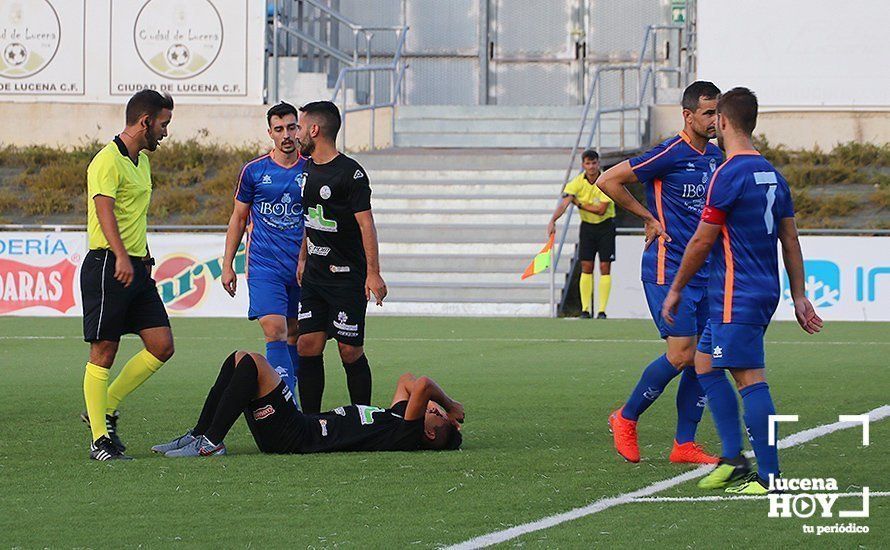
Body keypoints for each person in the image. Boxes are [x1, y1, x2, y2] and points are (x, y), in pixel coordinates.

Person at [662, 87, 822, 494]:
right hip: (751, 289)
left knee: (749, 378)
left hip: (738, 291)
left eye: (717, 117)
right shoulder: (773, 174)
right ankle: (733, 458)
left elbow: (701, 241)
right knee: (704, 363)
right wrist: (798, 294)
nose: (713, 122)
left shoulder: (728, 173)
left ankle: (769, 478)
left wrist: (676, 288)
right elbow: (790, 239)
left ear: (725, 122)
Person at [596, 81, 723, 464]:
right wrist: (647, 217)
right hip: (668, 269)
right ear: (688, 115)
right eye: (707, 113)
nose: (715, 120)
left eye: (718, 112)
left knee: (705, 358)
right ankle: (626, 416)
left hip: (707, 273)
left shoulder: (717, 158)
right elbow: (607, 180)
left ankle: (684, 444)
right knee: (682, 353)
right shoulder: (669, 153)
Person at [79, 90, 176, 460]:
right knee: (104, 350)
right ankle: (99, 440)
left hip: (136, 266)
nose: (165, 133)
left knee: (162, 345)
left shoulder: (142, 162)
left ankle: (105, 406)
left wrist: (143, 255)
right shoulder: (106, 161)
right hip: (108, 264)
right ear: (145, 122)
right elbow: (104, 211)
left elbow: (134, 216)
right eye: (163, 125)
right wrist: (121, 255)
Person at [151, 351, 463, 456]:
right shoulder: (398, 418)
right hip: (294, 429)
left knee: (252, 363)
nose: (429, 407)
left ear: (431, 434)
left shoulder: (405, 436)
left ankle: (212, 443)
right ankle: (200, 434)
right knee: (238, 359)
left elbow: (422, 386)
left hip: (296, 435)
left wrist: (449, 405)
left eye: (434, 414)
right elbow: (408, 379)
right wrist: (439, 409)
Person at [294, 101, 387, 414]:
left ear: (315, 130)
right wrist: (303, 258)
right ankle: (309, 421)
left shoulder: (351, 174)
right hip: (315, 277)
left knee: (349, 350)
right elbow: (310, 219)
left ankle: (364, 416)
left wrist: (373, 273)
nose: (296, 134)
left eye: (300, 127)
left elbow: (366, 224)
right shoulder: (305, 169)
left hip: (347, 277)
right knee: (307, 344)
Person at [221, 102, 306, 396]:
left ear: (299, 129)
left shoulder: (311, 170)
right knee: (275, 331)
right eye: (279, 129)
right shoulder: (254, 171)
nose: (286, 135)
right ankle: (285, 403)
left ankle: (291, 392)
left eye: (291, 127)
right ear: (270, 132)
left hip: (301, 267)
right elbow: (238, 218)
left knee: (295, 333)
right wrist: (227, 264)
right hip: (264, 266)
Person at [547, 149, 616, 319]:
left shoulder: (606, 180)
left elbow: (601, 210)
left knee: (605, 267)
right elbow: (564, 204)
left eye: (594, 163)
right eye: (588, 163)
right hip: (587, 227)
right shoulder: (576, 182)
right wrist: (552, 220)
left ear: (598, 163)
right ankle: (585, 309)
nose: (591, 167)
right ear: (583, 165)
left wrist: (578, 204)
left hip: (605, 226)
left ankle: (601, 310)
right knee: (587, 266)